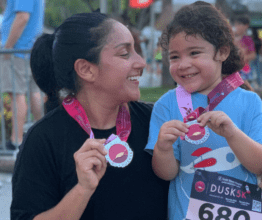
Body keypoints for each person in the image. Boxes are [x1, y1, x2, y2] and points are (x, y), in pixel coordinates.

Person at [145, 2, 262, 220]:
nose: (183, 64)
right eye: (174, 56)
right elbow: (167, 173)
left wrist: (232, 134)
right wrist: (162, 148)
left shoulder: (249, 102)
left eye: (194, 52)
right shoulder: (166, 105)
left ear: (222, 51)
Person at [11, 12, 170, 219]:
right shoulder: (43, 139)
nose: (141, 62)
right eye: (125, 54)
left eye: (136, 51)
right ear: (86, 69)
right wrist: (82, 189)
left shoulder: (157, 123)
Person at [0, 0, 44, 150]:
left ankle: (16, 142)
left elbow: (23, 17)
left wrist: (8, 47)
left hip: (18, 51)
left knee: (16, 94)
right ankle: (43, 138)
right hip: (30, 48)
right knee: (34, 94)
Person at [231, 14, 256, 91]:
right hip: (232, 67)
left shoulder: (247, 39)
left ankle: (254, 98)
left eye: (239, 24)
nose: (236, 26)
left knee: (245, 85)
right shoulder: (231, 38)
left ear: (246, 26)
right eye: (235, 24)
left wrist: (242, 57)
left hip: (243, 68)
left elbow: (253, 55)